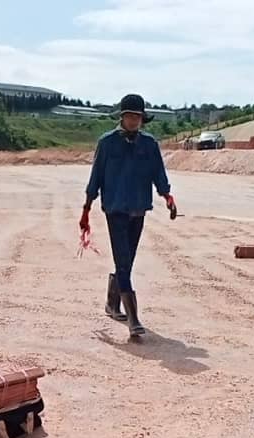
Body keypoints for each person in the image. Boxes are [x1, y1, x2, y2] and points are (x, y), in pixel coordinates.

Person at [82, 94, 176, 337]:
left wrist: (167, 196)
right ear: (122, 117)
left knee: (127, 262)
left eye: (138, 116)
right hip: (115, 209)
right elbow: (96, 177)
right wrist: (86, 208)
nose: (134, 120)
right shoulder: (107, 143)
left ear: (142, 119)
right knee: (124, 263)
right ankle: (133, 320)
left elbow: (158, 173)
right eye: (130, 116)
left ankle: (111, 304)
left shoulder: (149, 144)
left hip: (139, 209)